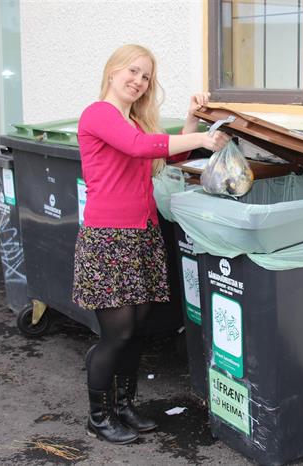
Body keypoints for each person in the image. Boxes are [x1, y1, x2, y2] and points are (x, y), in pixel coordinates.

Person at [72, 44, 230, 445]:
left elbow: (163, 159)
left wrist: (192, 119)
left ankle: (124, 406)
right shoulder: (99, 114)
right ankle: (99, 415)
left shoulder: (135, 123)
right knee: (117, 334)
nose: (139, 81)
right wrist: (201, 138)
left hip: (141, 233)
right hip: (109, 238)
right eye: (133, 71)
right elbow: (141, 148)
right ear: (112, 71)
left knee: (137, 328)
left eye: (146, 77)